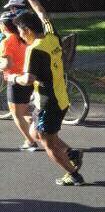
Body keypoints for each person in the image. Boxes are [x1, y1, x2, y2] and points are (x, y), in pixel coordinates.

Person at [11, 11, 84, 185]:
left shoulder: (34, 49)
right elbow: (43, 14)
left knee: (48, 144)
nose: (20, 35)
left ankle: (74, 175)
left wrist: (12, 78)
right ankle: (71, 153)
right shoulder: (52, 36)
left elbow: (28, 79)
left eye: (19, 31)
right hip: (59, 98)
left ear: (27, 30)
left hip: (48, 104)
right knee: (35, 133)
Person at [0, 11, 38, 150]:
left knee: (17, 115)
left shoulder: (6, 42)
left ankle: (30, 141)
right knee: (24, 111)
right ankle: (37, 126)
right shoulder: (23, 38)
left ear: (4, 25)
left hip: (15, 81)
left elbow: (7, 64)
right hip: (28, 78)